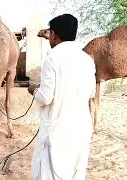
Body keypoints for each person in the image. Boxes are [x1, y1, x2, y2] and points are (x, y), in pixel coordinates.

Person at [28, 14, 96, 180]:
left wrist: (34, 90)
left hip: (58, 130)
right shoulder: (87, 59)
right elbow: (91, 93)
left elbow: (45, 98)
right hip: (81, 128)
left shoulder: (52, 58)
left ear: (53, 34)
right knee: (75, 173)